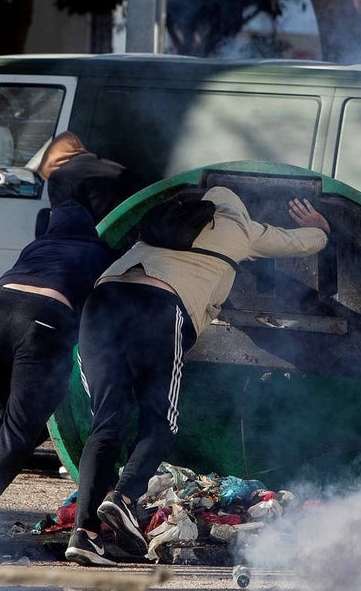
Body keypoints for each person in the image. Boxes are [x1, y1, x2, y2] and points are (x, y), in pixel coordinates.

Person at [64, 186, 331, 566]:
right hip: (157, 306)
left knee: (107, 422)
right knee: (161, 422)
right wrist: (321, 229)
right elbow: (300, 243)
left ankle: (84, 534)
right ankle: (122, 498)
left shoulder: (161, 223)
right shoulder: (240, 226)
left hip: (102, 301)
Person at [0, 200, 116, 562]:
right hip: (43, 317)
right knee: (20, 428)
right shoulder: (98, 250)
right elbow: (106, 312)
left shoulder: (37, 246)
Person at [39, 131, 147, 224]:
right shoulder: (103, 163)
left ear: (50, 165)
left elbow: (65, 226)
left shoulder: (60, 178)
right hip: (146, 223)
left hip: (113, 235)